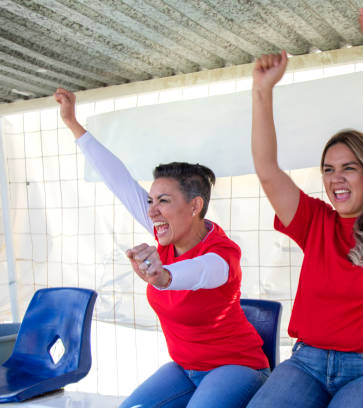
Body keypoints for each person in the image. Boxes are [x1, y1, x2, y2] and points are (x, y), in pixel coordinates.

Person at [247, 9, 363, 408]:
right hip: (308, 362)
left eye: (349, 168)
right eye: (329, 170)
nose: (336, 179)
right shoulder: (316, 221)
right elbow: (266, 171)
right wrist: (262, 92)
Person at [54, 88, 270, 408]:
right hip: (185, 369)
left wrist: (163, 275)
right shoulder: (165, 232)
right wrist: (73, 124)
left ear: (195, 205)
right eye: (151, 201)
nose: (152, 210)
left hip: (237, 367)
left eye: (163, 201)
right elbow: (119, 181)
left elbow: (200, 273)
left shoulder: (222, 255)